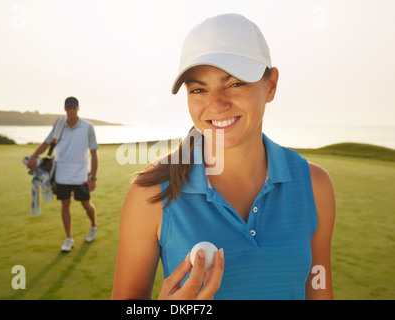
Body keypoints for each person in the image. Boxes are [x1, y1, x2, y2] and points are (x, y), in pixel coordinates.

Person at [111, 14, 335, 299]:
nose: (216, 104)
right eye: (198, 89)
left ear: (271, 85)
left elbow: (318, 289)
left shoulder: (315, 185)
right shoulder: (151, 192)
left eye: (235, 83)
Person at [27, 96, 99, 252]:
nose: (71, 111)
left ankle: (93, 226)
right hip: (62, 173)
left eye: (73, 108)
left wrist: (93, 177)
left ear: (78, 108)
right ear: (65, 109)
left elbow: (94, 154)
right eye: (68, 108)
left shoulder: (87, 127)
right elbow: (46, 144)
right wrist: (33, 156)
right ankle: (68, 238)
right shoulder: (59, 126)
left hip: (81, 174)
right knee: (65, 204)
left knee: (86, 204)